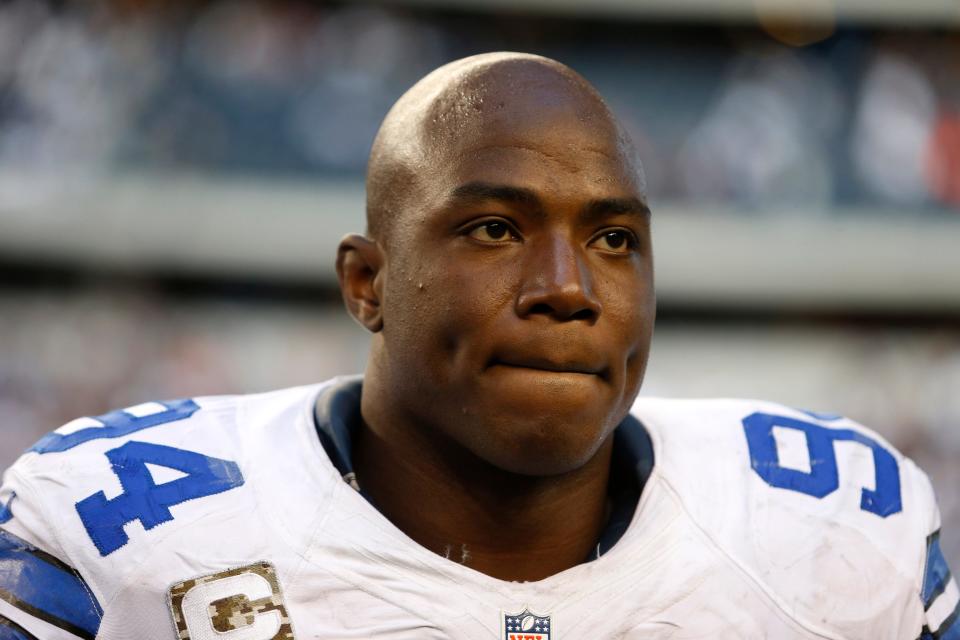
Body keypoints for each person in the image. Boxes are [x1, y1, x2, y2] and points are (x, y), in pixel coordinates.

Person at [0, 52, 954, 640]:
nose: (567, 291)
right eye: (496, 229)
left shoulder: (836, 526)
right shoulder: (116, 535)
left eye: (613, 240)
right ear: (366, 282)